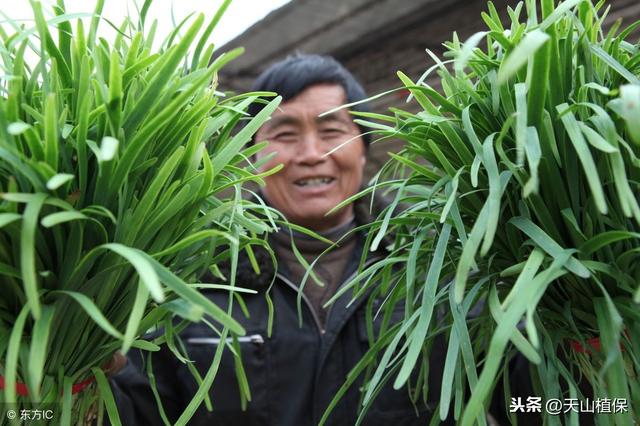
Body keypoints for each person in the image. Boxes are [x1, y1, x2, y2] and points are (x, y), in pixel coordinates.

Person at [111, 54, 533, 425]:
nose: (311, 153)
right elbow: (134, 411)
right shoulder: (195, 277)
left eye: (332, 131)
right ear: (251, 154)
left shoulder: (440, 267)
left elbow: (538, 405)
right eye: (285, 133)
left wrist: (583, 349)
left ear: (364, 149)